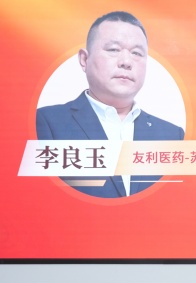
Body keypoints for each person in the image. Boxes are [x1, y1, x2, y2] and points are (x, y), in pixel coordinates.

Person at [36, 11, 184, 198]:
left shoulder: (172, 136)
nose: (126, 62)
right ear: (84, 59)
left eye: (137, 53)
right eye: (113, 50)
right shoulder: (47, 123)